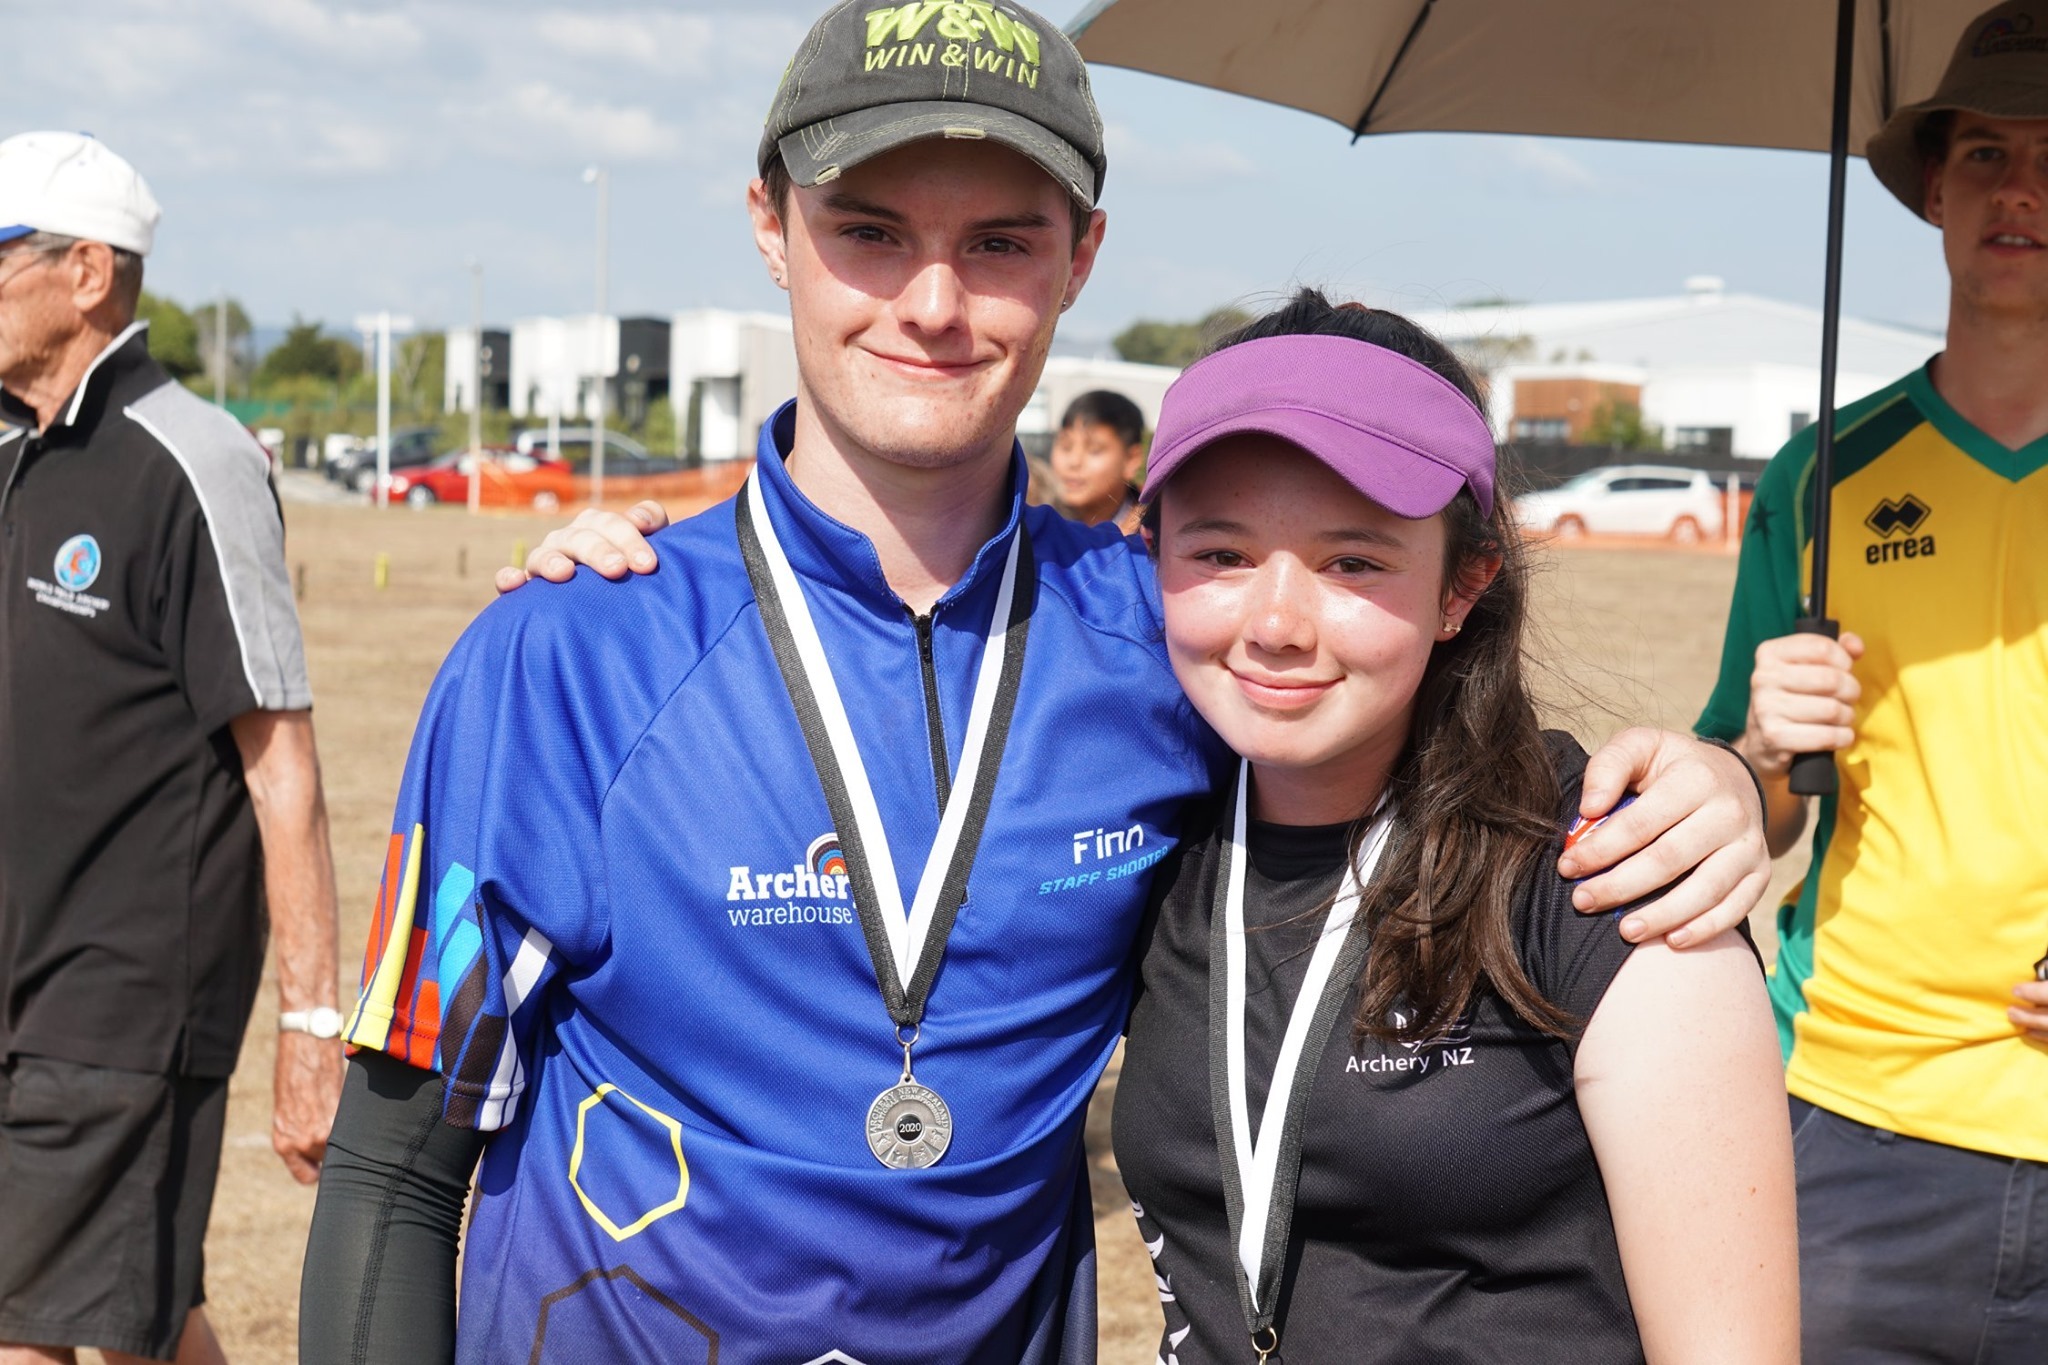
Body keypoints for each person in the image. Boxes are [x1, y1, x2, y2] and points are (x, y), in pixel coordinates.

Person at [303, 5, 1769, 1359]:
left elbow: (1415, 734)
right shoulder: (561, 657)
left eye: (1001, 243)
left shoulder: (1169, 639)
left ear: (1081, 258)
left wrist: (1714, 783)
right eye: (869, 232)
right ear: (769, 224)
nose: (933, 302)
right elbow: (392, 1170)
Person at [1113, 291, 1796, 1363]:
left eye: (1352, 562)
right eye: (1221, 555)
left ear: (1461, 587)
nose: (1276, 624)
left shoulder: (1610, 874)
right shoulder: (1143, 842)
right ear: (1152, 557)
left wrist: (1735, 778)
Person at [1696, 3, 2048, 1355]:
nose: (2018, 190)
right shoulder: (1823, 478)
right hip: (1856, 1115)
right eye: (1984, 156)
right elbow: (1753, 814)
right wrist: (1760, 753)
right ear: (1934, 193)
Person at [0, 133, 343, 1364]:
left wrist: (313, 1026)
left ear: (86, 273)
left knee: (24, 1328)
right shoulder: (14, 448)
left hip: (124, 992)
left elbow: (282, 762)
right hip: (21, 970)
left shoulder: (195, 461)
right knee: (145, 1318)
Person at [1048, 389, 1145, 532]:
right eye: (1066, 447)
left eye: (1094, 450)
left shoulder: (1153, 535)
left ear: (1132, 460)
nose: (1074, 462)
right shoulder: (1035, 526)